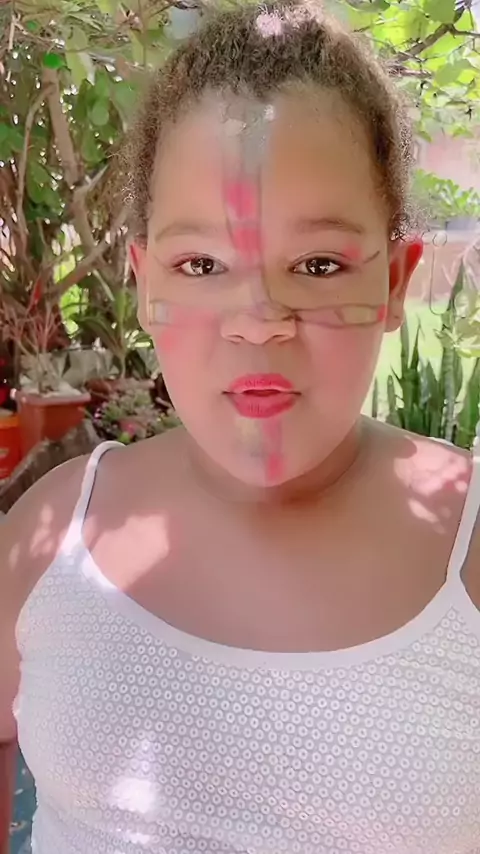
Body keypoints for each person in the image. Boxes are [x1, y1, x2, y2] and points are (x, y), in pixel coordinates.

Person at [1, 2, 480, 852]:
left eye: (319, 264)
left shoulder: (468, 556)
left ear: (395, 283)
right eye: (201, 264)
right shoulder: (52, 533)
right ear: (146, 284)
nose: (259, 321)